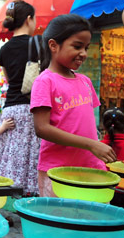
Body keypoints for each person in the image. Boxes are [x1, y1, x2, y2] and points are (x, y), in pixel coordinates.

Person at [31, 14, 117, 200]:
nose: (83, 53)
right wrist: (91, 145)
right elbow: (42, 128)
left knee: (89, 223)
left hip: (90, 168)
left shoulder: (85, 81)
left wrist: (97, 147)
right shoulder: (45, 82)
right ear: (53, 45)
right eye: (77, 46)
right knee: (60, 224)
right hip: (58, 172)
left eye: (86, 48)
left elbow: (86, 125)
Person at [0, 0, 41, 196]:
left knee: (8, 153)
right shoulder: (39, 43)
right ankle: (29, 193)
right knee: (31, 152)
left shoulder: (5, 49)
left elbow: (8, 80)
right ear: (28, 19)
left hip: (10, 108)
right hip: (32, 108)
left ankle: (6, 190)